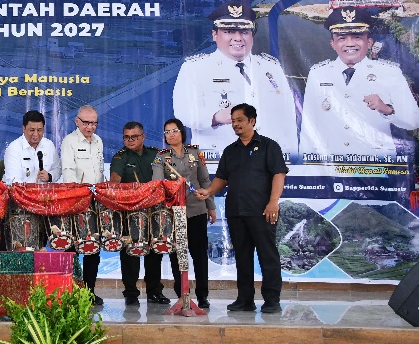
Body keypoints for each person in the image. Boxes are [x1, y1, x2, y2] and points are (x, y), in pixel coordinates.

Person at [171, 0, 297, 160]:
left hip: (268, 161)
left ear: (252, 35)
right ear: (215, 35)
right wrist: (216, 117)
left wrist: (292, 159)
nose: (238, 38)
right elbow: (184, 113)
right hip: (220, 161)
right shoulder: (195, 68)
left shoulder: (271, 67)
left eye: (244, 32)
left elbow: (288, 117)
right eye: (229, 31)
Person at [195, 103, 288, 314]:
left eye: (240, 120)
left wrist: (273, 202)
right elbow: (222, 178)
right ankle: (245, 300)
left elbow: (279, 174)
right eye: (233, 121)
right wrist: (208, 191)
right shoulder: (230, 150)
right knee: (243, 258)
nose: (235, 124)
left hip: (262, 211)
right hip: (236, 212)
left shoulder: (269, 146)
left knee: (268, 256)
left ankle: (272, 300)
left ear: (252, 121)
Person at [299, 6, 419, 159]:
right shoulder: (318, 73)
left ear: (369, 42)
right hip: (331, 163)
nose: (350, 43)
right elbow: (309, 126)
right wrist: (306, 167)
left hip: (374, 164)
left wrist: (387, 109)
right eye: (342, 38)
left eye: (357, 37)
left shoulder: (389, 73)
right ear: (333, 44)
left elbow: (414, 121)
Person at [155, 117, 215, 310]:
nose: (171, 135)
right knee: (177, 255)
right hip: (174, 213)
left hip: (197, 210)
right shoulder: (161, 157)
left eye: (174, 131)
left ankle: (203, 295)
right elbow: (158, 185)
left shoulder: (195, 153)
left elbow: (205, 181)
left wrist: (211, 206)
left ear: (182, 132)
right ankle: (182, 293)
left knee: (199, 254)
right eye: (167, 132)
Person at [109, 122, 169, 306]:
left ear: (143, 137)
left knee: (154, 252)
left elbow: (166, 177)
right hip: (130, 212)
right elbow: (115, 181)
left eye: (134, 136)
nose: (130, 140)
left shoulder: (155, 154)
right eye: (126, 137)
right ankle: (131, 293)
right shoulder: (120, 157)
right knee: (129, 253)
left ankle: (154, 291)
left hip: (153, 210)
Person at [60, 105, 105, 305]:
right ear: (77, 121)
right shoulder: (69, 141)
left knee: (93, 248)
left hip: (95, 202)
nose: (90, 127)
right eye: (86, 123)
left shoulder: (99, 141)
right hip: (76, 201)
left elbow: (100, 172)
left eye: (94, 123)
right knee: (72, 248)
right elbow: (68, 172)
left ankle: (89, 291)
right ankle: (70, 291)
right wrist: (78, 197)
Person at [3, 110, 60, 185]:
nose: (36, 134)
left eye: (39, 130)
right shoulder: (14, 149)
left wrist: (50, 176)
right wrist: (32, 191)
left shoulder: (49, 145)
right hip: (22, 191)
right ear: (24, 129)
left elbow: (57, 169)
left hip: (45, 191)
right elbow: (14, 181)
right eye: (32, 130)